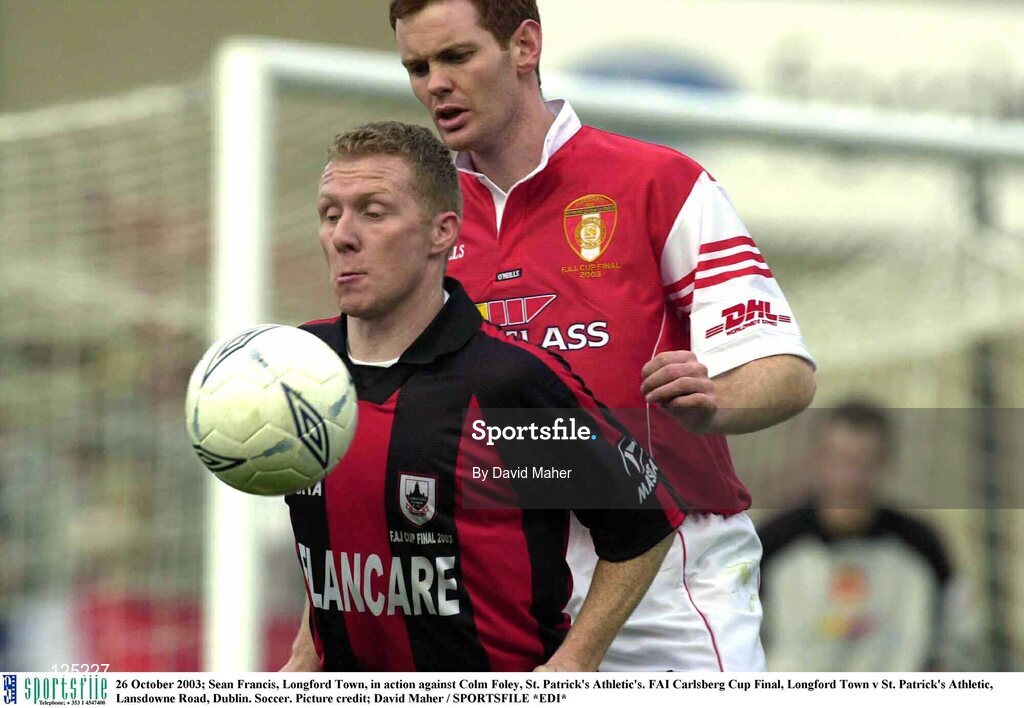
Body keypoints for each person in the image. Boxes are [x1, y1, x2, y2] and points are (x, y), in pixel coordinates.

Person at [389, 0, 816, 671]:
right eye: (418, 67)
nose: (435, 83)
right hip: (497, 589)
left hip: (667, 589)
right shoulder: (423, 224)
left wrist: (715, 402)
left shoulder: (657, 183)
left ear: (524, 45)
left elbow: (786, 372)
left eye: (457, 56)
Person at [281, 121, 683, 671]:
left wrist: (573, 663)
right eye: (330, 214)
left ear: (442, 233)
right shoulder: (302, 364)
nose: (342, 236)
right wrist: (306, 652)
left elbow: (644, 523)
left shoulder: (505, 382)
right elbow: (342, 542)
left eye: (373, 213)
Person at [758, 400, 982, 671]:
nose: (852, 477)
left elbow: (960, 631)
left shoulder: (921, 543)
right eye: (842, 460)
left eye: (865, 462)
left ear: (886, 464)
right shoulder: (772, 543)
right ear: (819, 459)